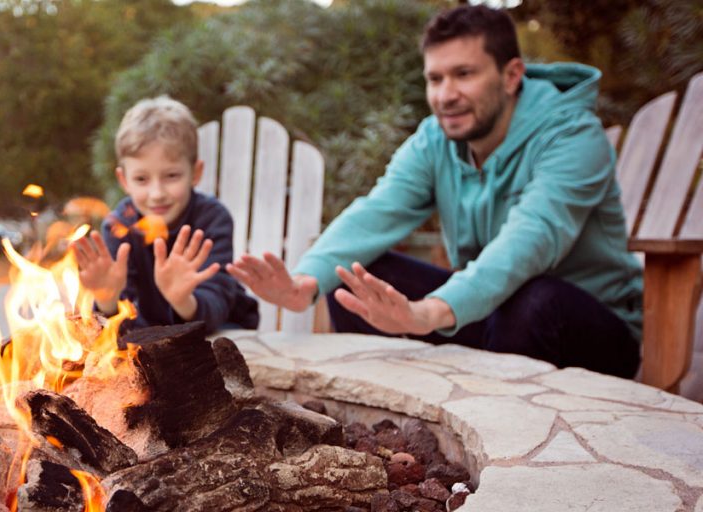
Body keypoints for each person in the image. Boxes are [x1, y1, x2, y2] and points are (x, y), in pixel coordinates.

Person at [227, 5, 642, 378]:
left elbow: (531, 238)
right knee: (355, 279)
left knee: (532, 299)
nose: (445, 95)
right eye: (435, 78)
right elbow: (378, 210)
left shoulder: (573, 135)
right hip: (492, 318)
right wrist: (304, 284)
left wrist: (427, 312)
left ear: (512, 75)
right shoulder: (435, 140)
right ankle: (390, 425)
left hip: (590, 332)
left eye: (464, 74)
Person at [72, 96, 259, 333]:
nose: (157, 193)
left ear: (195, 173)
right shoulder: (119, 226)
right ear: (124, 180)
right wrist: (107, 299)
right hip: (152, 342)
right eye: (141, 179)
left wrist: (183, 299)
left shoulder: (212, 219)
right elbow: (118, 326)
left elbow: (218, 303)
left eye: (171, 176)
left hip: (219, 336)